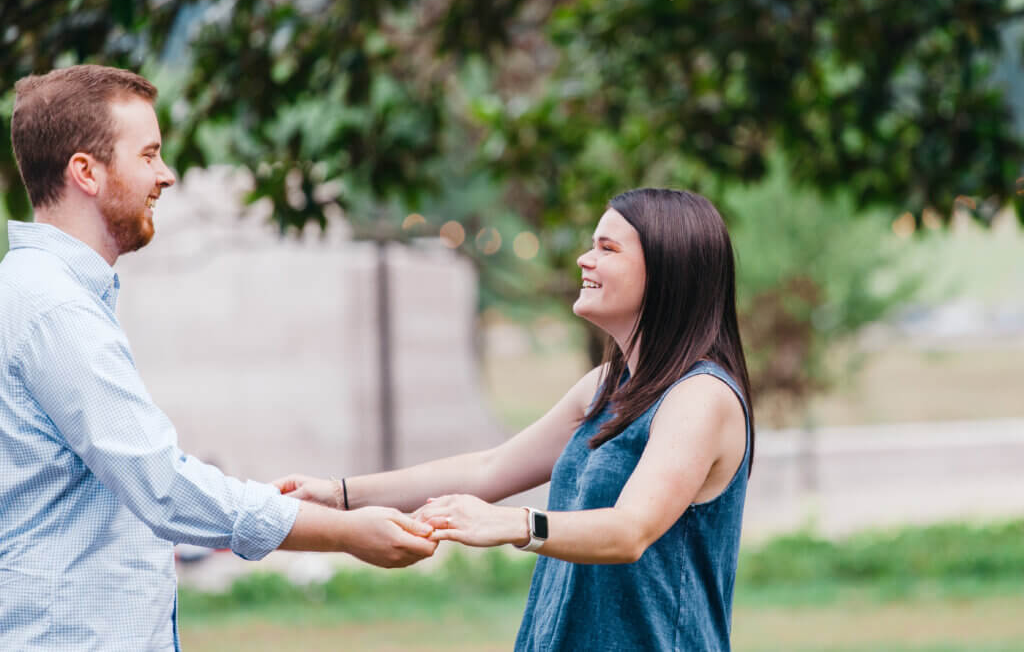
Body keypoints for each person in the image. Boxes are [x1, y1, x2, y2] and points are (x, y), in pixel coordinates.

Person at [0, 64, 437, 652]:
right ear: (86, 171)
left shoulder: (43, 293)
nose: (166, 175)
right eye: (149, 154)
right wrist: (343, 533)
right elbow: (161, 487)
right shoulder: (56, 310)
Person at [278, 187, 755, 650]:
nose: (584, 260)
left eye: (607, 248)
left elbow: (631, 531)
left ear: (668, 270)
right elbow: (488, 469)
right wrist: (340, 494)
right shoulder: (607, 384)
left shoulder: (700, 396)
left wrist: (518, 525)